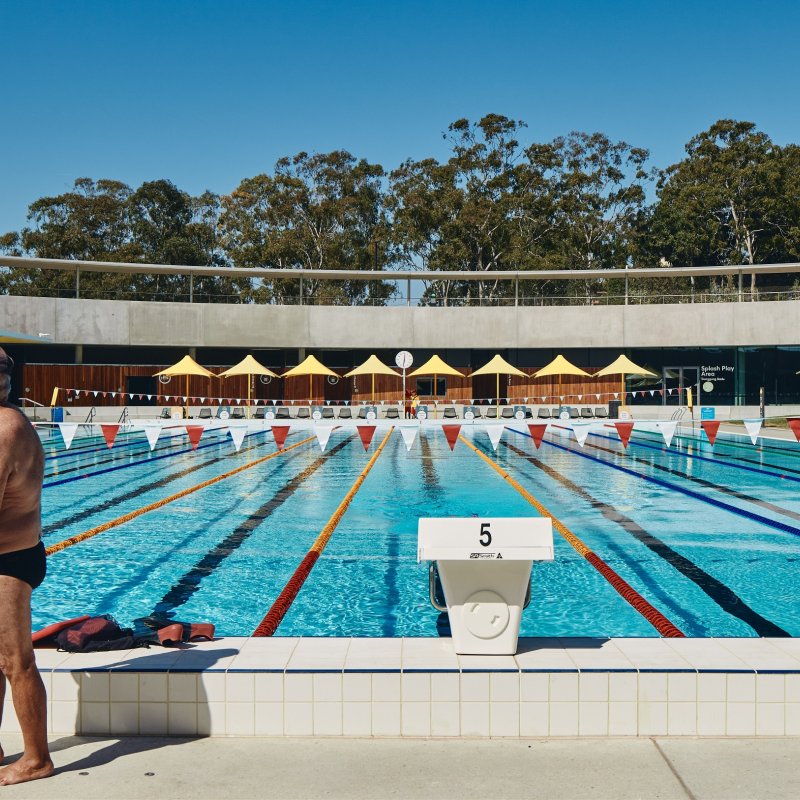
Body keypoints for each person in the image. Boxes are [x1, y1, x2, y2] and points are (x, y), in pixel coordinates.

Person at [0, 348, 53, 785]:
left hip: (8, 563)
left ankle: (37, 758)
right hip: (13, 554)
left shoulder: (5, 428)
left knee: (17, 661)